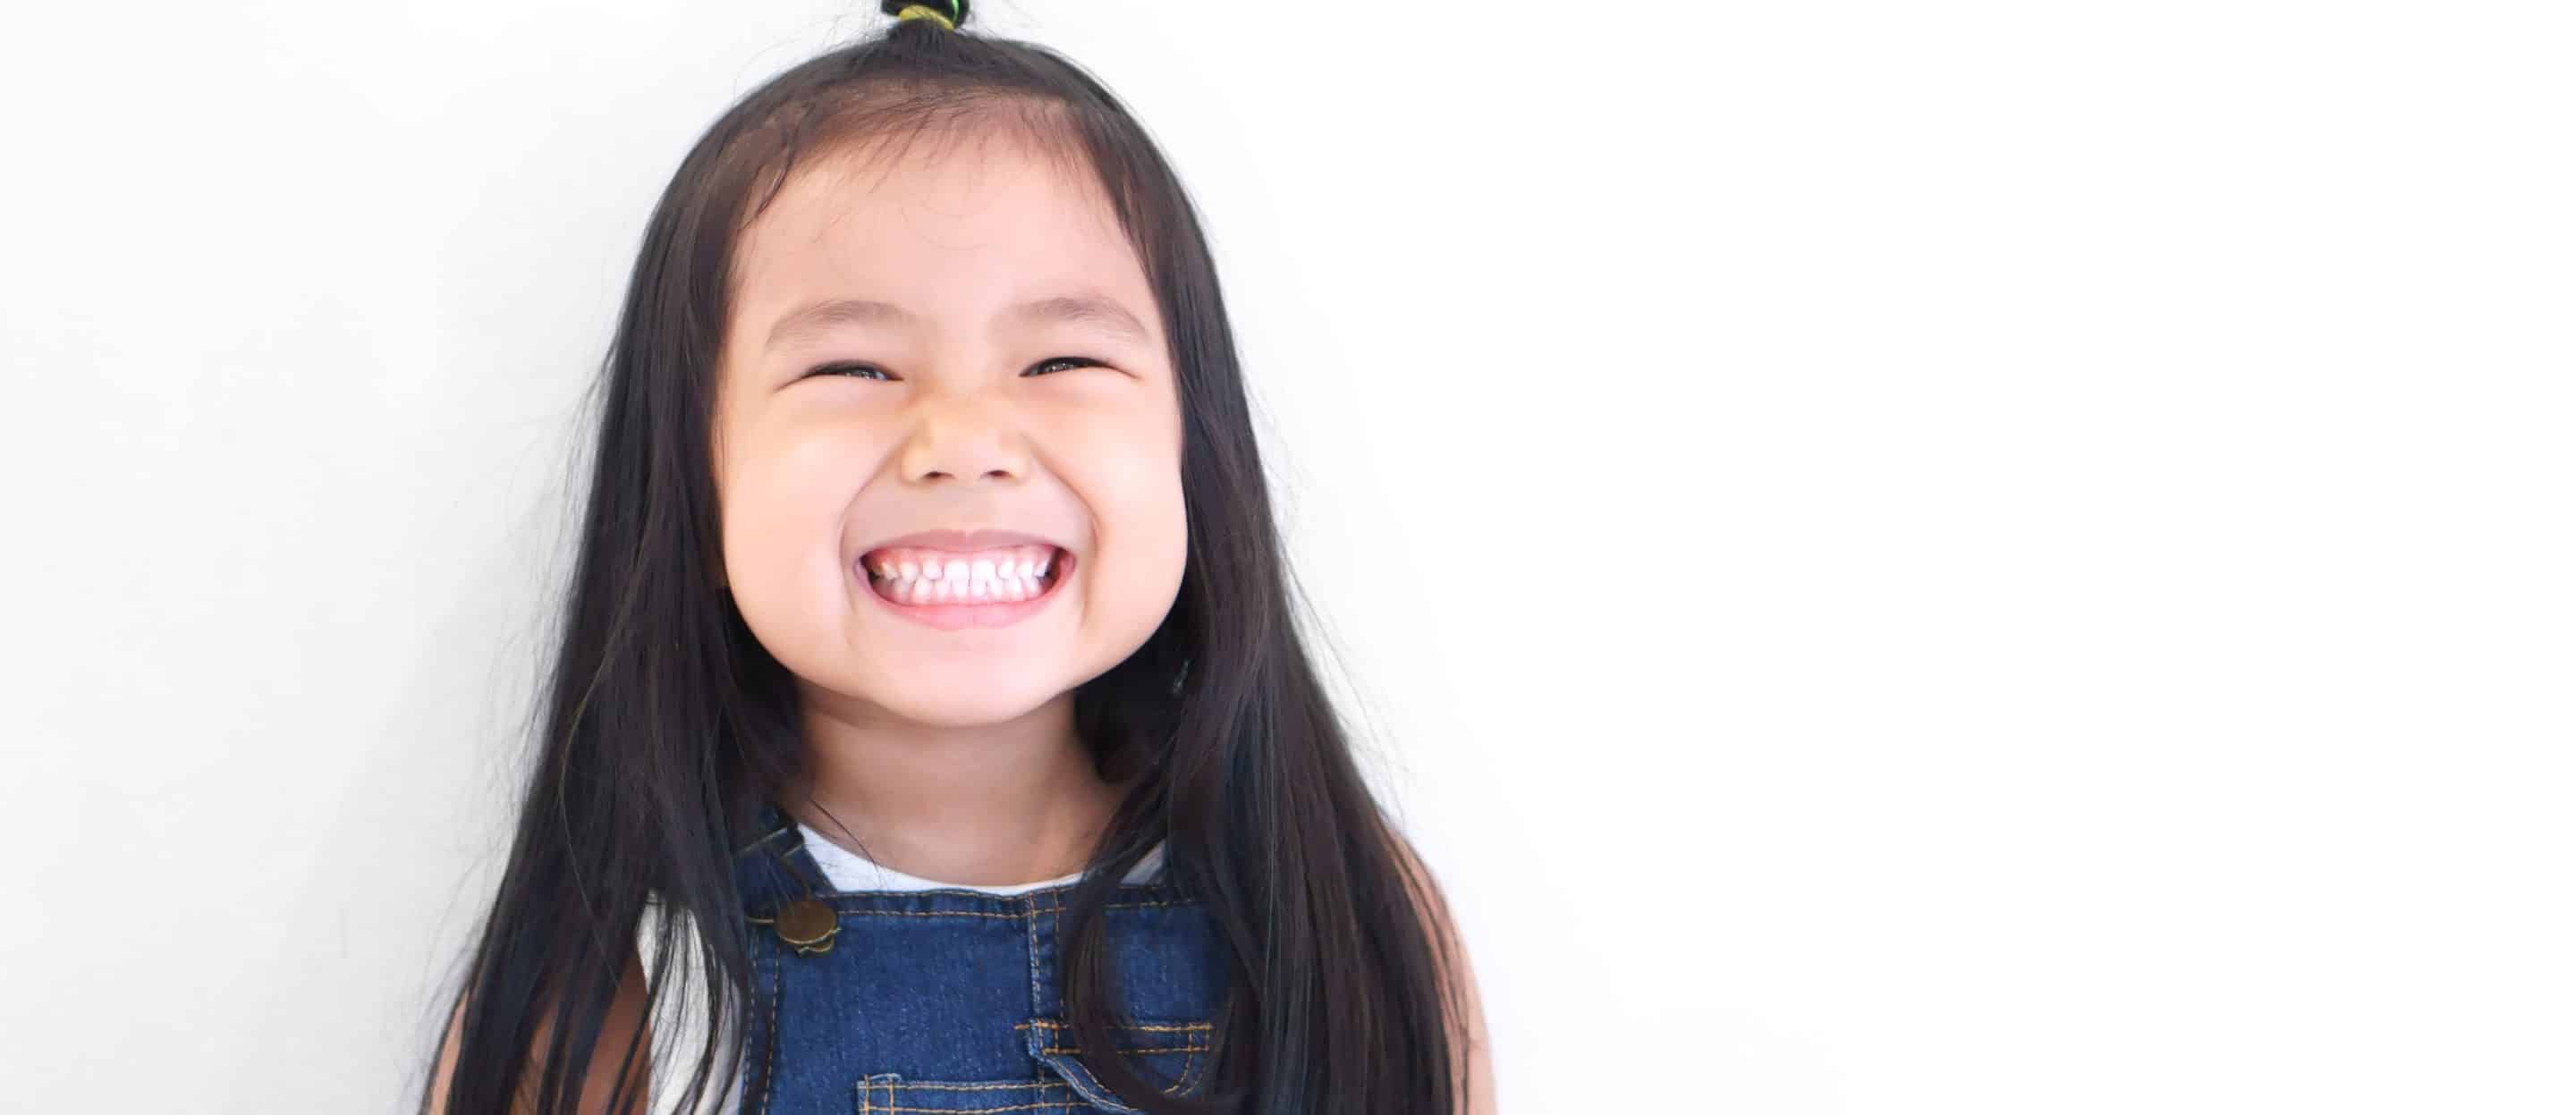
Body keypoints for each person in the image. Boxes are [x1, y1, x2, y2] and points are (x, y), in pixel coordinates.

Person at [421, 2, 1494, 1112]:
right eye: (856, 368)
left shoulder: (1343, 921)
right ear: (694, 486)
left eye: (1064, 357)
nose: (966, 443)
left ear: (1196, 451)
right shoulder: (617, 983)